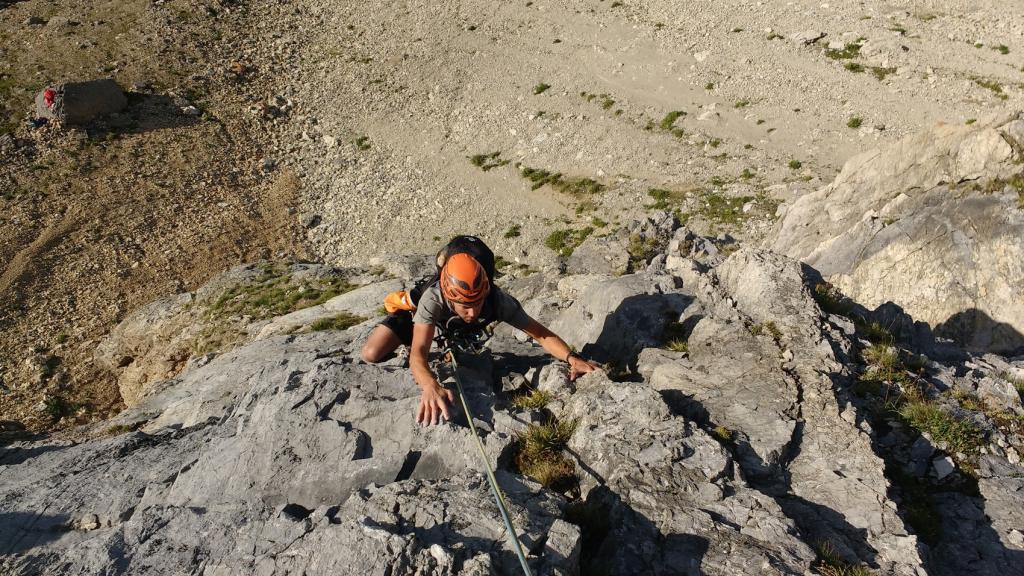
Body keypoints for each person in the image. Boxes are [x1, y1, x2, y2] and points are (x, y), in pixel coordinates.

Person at [361, 244, 598, 426]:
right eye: (465, 305)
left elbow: (540, 333)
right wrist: (429, 384)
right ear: (448, 295)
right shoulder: (432, 299)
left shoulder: (497, 300)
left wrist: (571, 357)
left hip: (452, 324)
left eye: (478, 302)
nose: (473, 312)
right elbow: (418, 355)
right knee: (372, 352)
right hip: (416, 318)